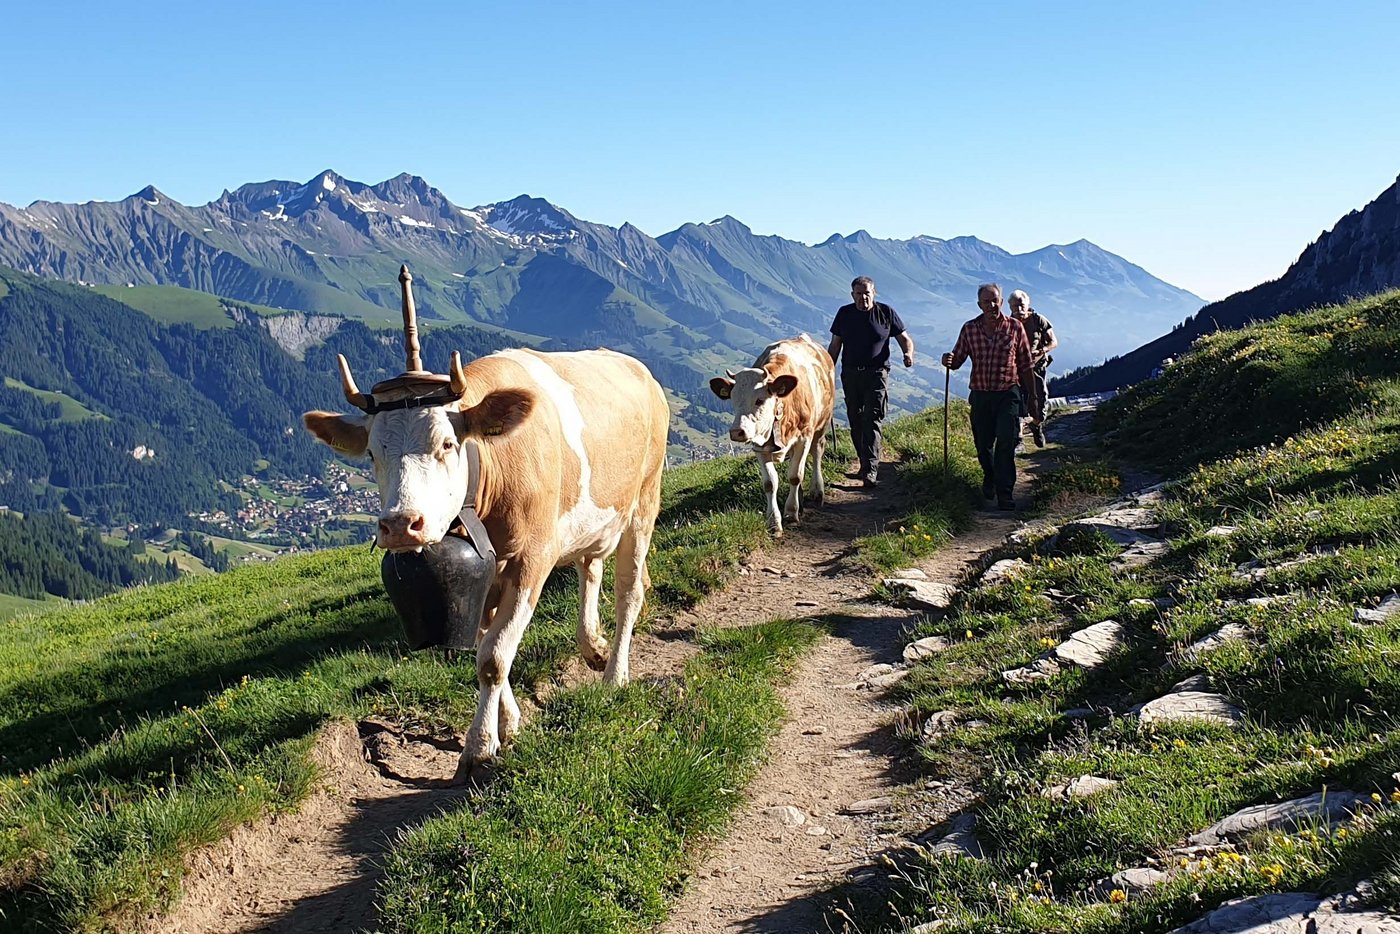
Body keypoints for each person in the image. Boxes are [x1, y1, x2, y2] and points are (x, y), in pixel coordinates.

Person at [941, 283, 1042, 510]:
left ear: (1002, 301)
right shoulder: (969, 329)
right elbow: (957, 360)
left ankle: (1005, 493)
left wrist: (1033, 397)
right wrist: (947, 360)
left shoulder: (1015, 328)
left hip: (1008, 393)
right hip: (980, 394)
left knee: (1006, 441)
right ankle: (990, 476)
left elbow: (1026, 365)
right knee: (983, 444)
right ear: (979, 305)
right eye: (986, 302)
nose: (991, 305)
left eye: (995, 300)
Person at [827, 276, 915, 488]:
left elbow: (904, 338)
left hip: (877, 373)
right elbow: (835, 344)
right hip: (851, 374)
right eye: (859, 293)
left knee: (872, 417)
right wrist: (827, 370)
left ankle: (871, 469)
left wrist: (908, 354)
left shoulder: (885, 313)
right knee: (855, 419)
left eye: (867, 293)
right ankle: (864, 462)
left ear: (874, 293)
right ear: (852, 295)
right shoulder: (844, 314)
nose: (863, 298)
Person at [1008, 290, 1057, 447]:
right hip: (1015, 371)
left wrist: (1042, 351)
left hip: (1036, 369)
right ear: (1009, 306)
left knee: (1040, 401)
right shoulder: (1006, 324)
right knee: (1017, 402)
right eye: (1015, 306)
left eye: (1021, 305)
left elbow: (1053, 342)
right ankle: (1019, 438)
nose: (1019, 309)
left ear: (1028, 304)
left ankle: (1036, 424)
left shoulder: (1038, 320)